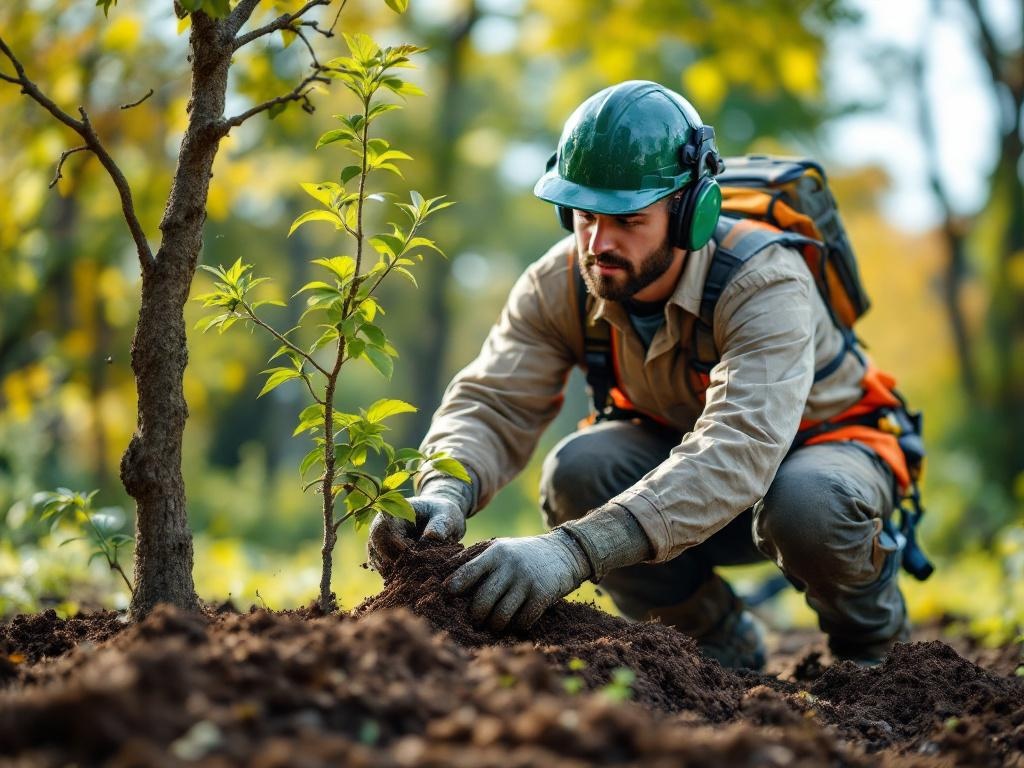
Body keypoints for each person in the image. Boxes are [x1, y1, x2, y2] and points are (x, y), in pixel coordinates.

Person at [368, 80, 910, 670]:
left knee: (807, 504)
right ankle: (714, 642)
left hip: (823, 459)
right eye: (583, 215)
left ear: (689, 213)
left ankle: (875, 653)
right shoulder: (561, 281)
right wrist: (444, 488)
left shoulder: (765, 281)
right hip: (681, 479)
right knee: (578, 470)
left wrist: (573, 551)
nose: (599, 243)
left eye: (628, 219)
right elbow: (494, 401)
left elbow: (740, 447)